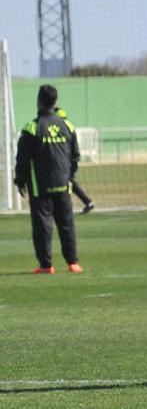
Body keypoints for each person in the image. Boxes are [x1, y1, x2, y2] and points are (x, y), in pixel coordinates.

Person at [14, 85, 84, 274]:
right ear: (55, 102)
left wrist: (20, 180)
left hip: (40, 187)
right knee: (66, 223)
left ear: (39, 101)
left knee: (42, 225)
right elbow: (76, 156)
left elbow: (22, 158)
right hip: (63, 185)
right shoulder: (67, 126)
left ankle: (46, 265)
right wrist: (70, 176)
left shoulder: (32, 127)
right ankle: (73, 263)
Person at [55, 107, 95, 214]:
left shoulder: (62, 129)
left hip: (66, 164)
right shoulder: (69, 127)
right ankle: (88, 202)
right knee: (71, 185)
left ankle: (85, 203)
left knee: (67, 185)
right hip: (69, 163)